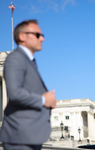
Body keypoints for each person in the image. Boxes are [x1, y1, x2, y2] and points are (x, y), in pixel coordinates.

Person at [0, 20, 57, 150]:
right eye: (37, 35)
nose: (42, 38)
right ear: (22, 36)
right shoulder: (16, 58)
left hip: (29, 136)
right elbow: (15, 93)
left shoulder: (28, 61)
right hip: (20, 137)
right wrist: (44, 100)